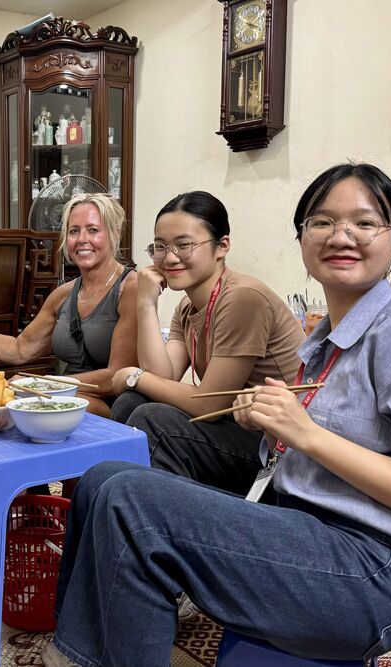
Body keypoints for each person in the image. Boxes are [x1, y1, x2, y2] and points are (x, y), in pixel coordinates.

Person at [40, 163, 391, 667]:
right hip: (304, 523)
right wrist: (264, 422)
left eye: (365, 223)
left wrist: (306, 434)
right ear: (302, 239)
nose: (340, 235)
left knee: (131, 500)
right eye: (321, 222)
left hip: (375, 570)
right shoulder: (327, 340)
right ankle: (82, 646)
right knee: (102, 479)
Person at [109, 191, 304, 495]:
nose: (170, 257)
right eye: (160, 246)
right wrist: (145, 303)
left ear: (221, 246)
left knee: (154, 420)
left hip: (278, 446)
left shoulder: (243, 298)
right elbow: (164, 375)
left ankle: (170, 520)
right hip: (237, 429)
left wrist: (135, 376)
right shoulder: (187, 308)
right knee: (130, 403)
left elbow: (211, 403)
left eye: (184, 245)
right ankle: (126, 505)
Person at [0, 192, 138, 418]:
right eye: (74, 231)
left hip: (113, 404)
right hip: (65, 394)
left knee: (22, 403)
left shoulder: (130, 288)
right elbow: (20, 349)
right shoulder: (64, 294)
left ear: (114, 234)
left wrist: (43, 383)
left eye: (93, 230)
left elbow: (116, 377)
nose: (82, 239)